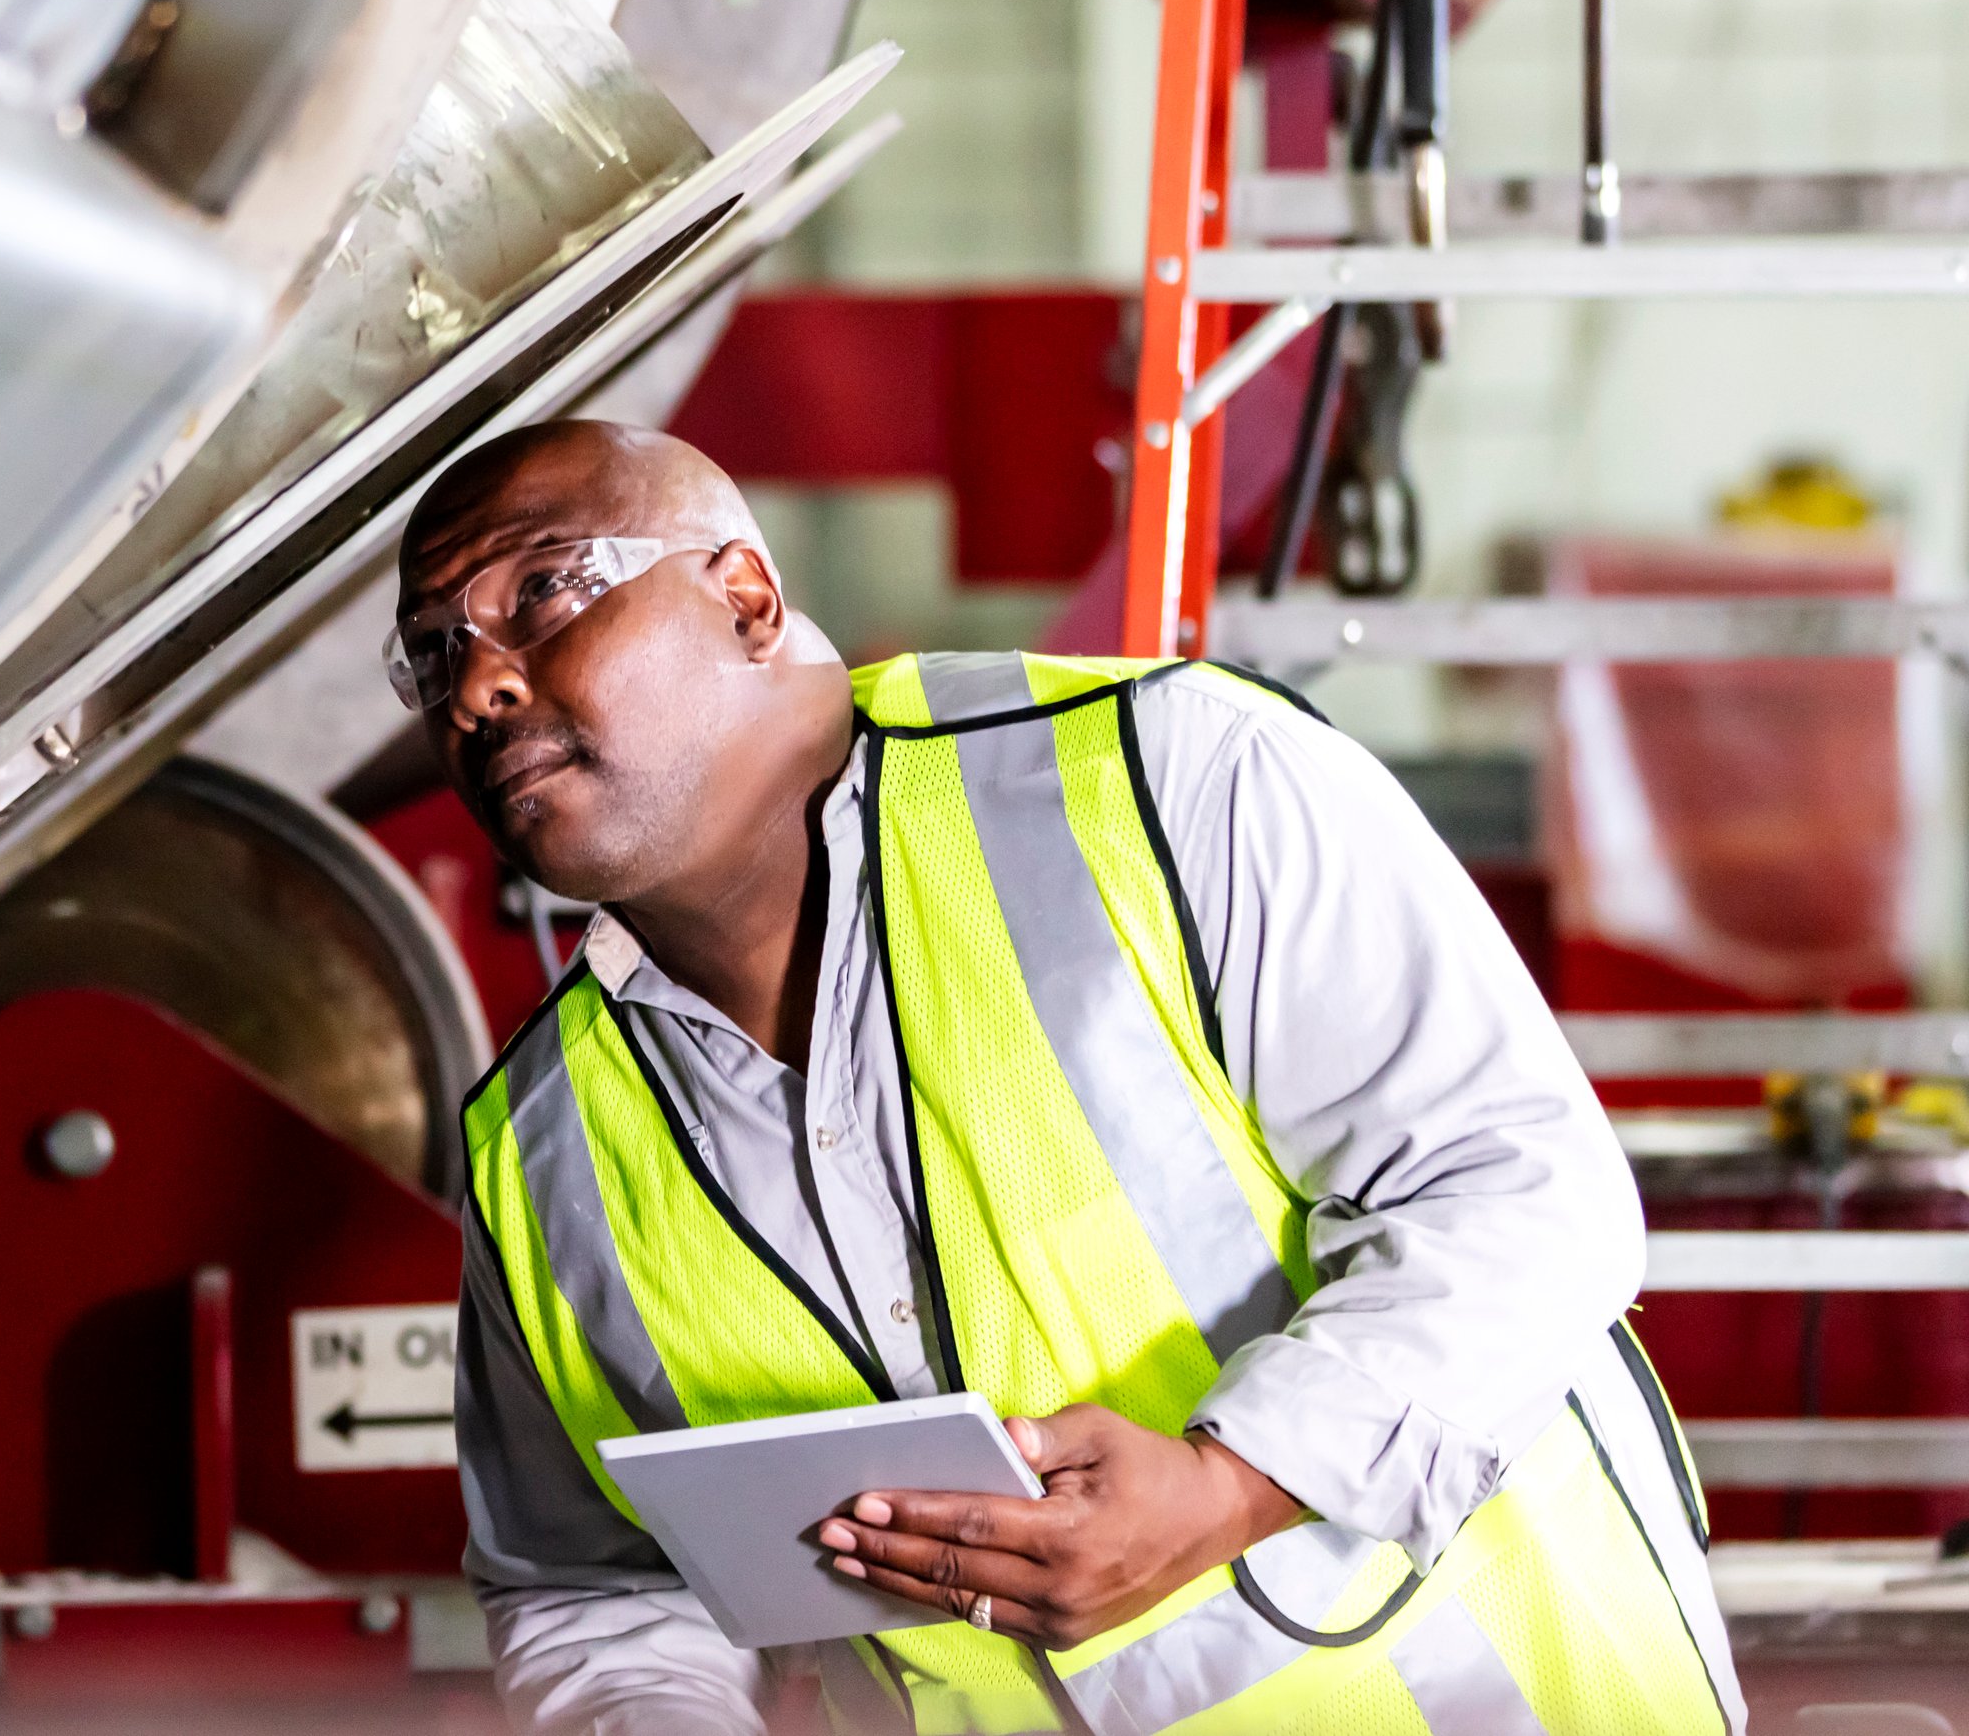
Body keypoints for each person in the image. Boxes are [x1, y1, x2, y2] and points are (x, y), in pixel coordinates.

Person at [410, 420, 1735, 1735]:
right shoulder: (544, 1146)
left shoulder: (1168, 781)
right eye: (437, 655)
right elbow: (594, 1581)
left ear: (746, 596)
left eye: (537, 592)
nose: (478, 688)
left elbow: (1521, 1202)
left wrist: (1234, 1486)